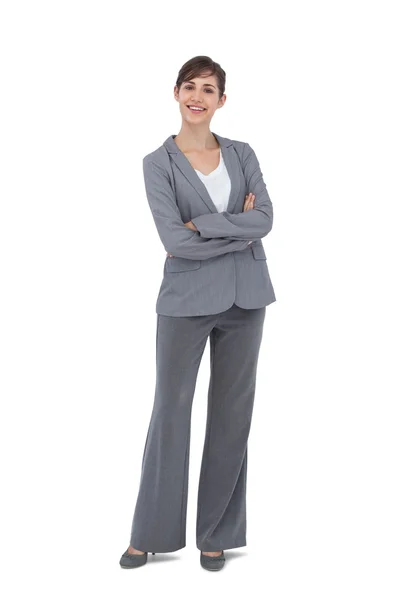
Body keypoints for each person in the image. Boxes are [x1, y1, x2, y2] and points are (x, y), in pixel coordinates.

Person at [119, 55, 276, 572]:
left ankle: (217, 534)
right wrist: (235, 224)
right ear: (176, 93)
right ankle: (150, 534)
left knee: (233, 417)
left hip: (246, 299)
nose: (198, 96)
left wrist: (203, 227)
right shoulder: (156, 163)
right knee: (170, 411)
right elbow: (172, 240)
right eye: (190, 86)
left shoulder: (243, 152)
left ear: (221, 101)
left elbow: (265, 220)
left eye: (209, 89)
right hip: (184, 302)